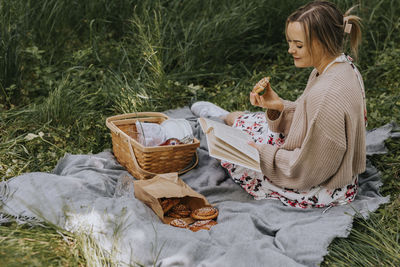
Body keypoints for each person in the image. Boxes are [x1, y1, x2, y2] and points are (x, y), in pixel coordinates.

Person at [191, 0, 366, 208]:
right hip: (332, 171)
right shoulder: (343, 66)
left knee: (236, 155)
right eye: (290, 42)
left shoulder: (326, 94)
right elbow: (310, 120)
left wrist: (263, 153)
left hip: (323, 188)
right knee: (250, 125)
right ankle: (228, 117)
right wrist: (278, 106)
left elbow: (310, 167)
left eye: (298, 44)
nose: (291, 50)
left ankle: (227, 118)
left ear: (323, 41)